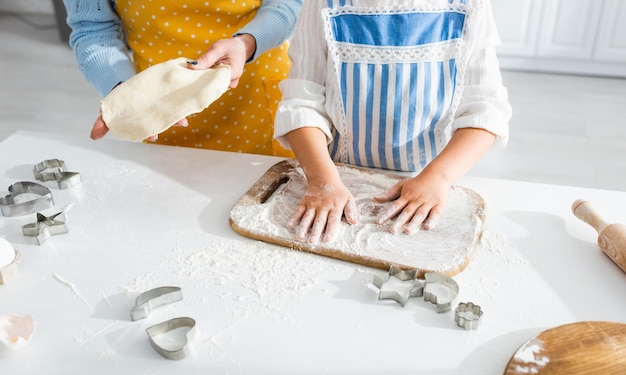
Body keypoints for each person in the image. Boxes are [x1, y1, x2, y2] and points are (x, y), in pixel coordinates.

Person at [274, 0, 512, 243]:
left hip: (429, 182)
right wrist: (322, 180)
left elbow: (485, 111)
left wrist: (438, 177)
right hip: (335, 178)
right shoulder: (323, 4)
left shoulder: (468, 5)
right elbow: (302, 103)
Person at [63, 0, 302, 156]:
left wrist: (246, 43)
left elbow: (289, 3)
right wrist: (123, 90)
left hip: (258, 99)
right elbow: (91, 29)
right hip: (163, 107)